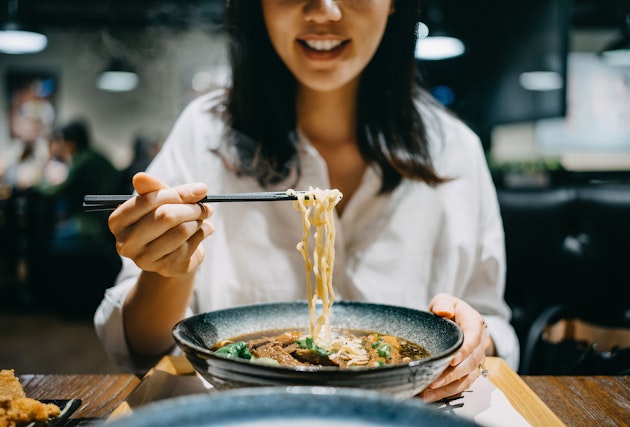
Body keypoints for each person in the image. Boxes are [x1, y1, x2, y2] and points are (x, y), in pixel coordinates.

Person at [95, 0, 519, 402]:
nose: (325, 10)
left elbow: (490, 322)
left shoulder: (455, 150)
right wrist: (167, 268)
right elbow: (139, 349)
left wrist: (474, 342)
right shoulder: (203, 137)